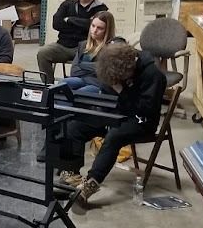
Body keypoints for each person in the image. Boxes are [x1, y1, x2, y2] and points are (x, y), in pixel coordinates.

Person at [56, 42, 166, 206]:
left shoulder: (153, 75)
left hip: (142, 122)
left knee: (114, 136)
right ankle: (71, 174)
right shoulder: (117, 69)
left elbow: (146, 109)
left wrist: (122, 91)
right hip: (118, 113)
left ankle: (89, 185)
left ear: (129, 70)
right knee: (76, 125)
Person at [37, 0, 108, 80]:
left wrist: (70, 20)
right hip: (63, 45)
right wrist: (83, 24)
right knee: (43, 53)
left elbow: (92, 26)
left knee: (81, 65)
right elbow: (56, 24)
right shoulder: (67, 4)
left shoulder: (101, 9)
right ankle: (48, 86)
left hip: (86, 47)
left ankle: (77, 88)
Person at [61, 11, 117, 94]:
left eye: (100, 28)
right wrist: (95, 67)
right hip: (81, 79)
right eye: (93, 26)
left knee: (80, 93)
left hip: (98, 84)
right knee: (62, 85)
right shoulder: (84, 45)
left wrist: (82, 65)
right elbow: (74, 71)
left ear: (107, 30)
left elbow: (106, 72)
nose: (94, 30)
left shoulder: (111, 48)